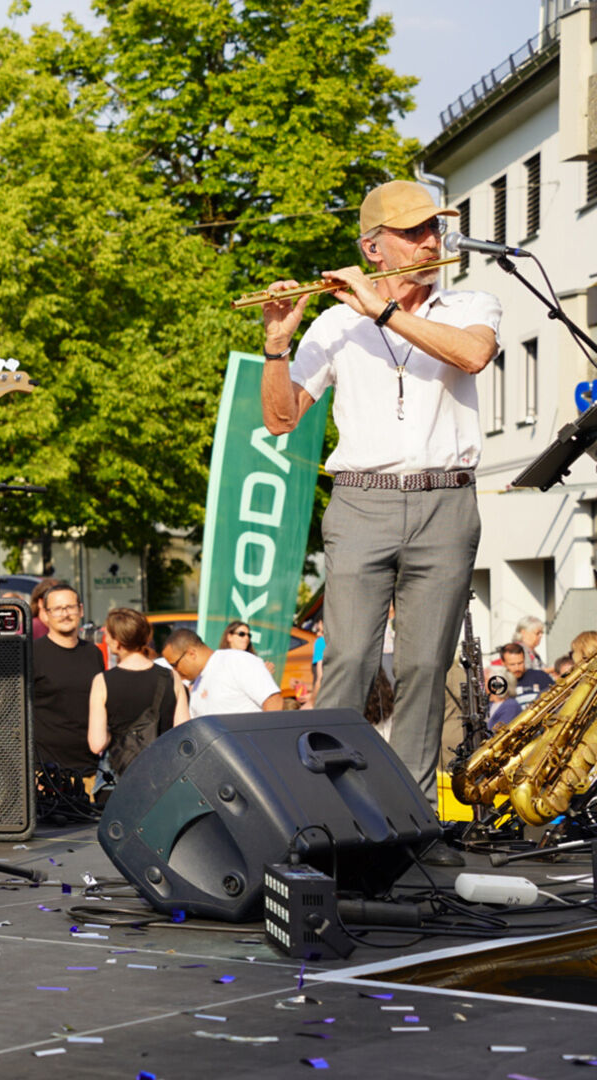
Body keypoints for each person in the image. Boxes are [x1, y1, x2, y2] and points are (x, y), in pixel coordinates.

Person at [260, 179, 501, 803]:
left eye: (433, 229)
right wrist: (278, 345)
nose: (431, 242)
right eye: (413, 232)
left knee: (426, 667)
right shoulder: (335, 323)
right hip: (362, 501)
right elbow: (282, 419)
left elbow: (474, 356)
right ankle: (324, 806)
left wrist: (384, 312)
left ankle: (413, 811)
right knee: (348, 662)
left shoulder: (468, 303)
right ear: (373, 249)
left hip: (446, 500)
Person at [87, 608, 188, 770]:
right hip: (163, 771)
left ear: (117, 642)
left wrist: (114, 735)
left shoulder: (102, 681)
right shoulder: (171, 677)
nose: (106, 640)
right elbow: (183, 732)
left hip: (120, 773)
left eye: (108, 635)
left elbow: (96, 744)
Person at [30, 581, 105, 777]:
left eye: (70, 607)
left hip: (90, 769)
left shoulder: (93, 654)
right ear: (45, 614)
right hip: (46, 772)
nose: (65, 614)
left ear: (81, 610)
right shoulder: (32, 654)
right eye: (57, 609)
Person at [161, 628, 284, 718]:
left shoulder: (236, 661)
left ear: (191, 654)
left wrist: (265, 741)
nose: (175, 670)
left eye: (174, 664)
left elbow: (274, 702)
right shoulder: (196, 685)